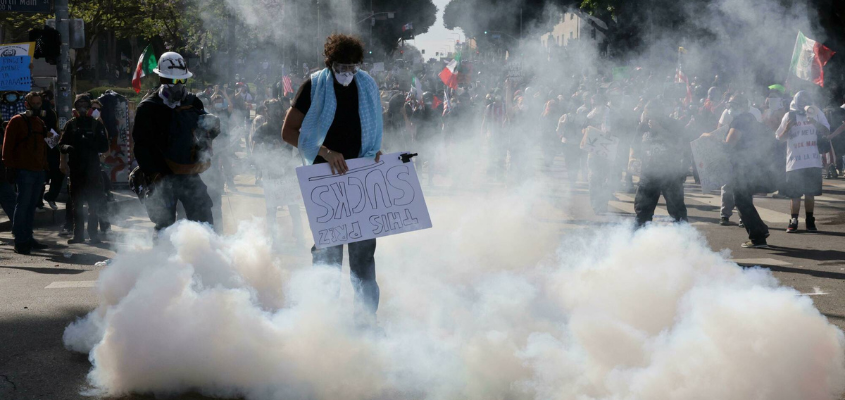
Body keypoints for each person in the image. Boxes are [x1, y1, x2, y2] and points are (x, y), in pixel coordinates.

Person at [282, 34, 383, 324]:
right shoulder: (314, 86)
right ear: (330, 63)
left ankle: (366, 321)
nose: (347, 73)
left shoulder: (367, 85)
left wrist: (375, 152)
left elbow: (372, 131)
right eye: (341, 67)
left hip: (360, 181)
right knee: (328, 257)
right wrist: (324, 151)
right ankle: (325, 322)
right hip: (325, 183)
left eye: (352, 67)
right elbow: (288, 132)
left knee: (363, 257)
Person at [132, 51, 217, 232]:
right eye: (172, 80)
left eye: (181, 80)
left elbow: (206, 134)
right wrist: (153, 174)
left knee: (203, 218)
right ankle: (163, 250)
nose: (177, 85)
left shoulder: (193, 103)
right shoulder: (148, 108)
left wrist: (213, 127)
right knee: (165, 224)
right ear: (162, 79)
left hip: (188, 172)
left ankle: (204, 248)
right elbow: (141, 146)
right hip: (162, 175)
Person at [720, 94, 772, 248]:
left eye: (732, 105)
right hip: (751, 166)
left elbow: (729, 144)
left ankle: (758, 237)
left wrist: (711, 138)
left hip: (742, 167)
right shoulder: (751, 119)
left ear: (741, 106)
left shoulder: (739, 120)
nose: (730, 108)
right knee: (744, 200)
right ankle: (760, 230)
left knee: (741, 201)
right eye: (729, 104)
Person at [2, 92, 50, 254]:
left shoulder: (39, 122)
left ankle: (28, 237)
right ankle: (20, 240)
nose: (36, 106)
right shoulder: (17, 121)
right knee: (22, 205)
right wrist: (9, 167)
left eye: (38, 103)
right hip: (24, 171)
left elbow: (44, 145)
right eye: (33, 103)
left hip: (38, 171)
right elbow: (7, 146)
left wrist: (45, 166)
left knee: (31, 207)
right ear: (26, 104)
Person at [775, 91, 830, 233]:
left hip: (813, 161)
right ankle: (793, 220)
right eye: (801, 102)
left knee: (810, 193)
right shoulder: (790, 115)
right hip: (794, 162)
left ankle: (810, 220)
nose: (803, 105)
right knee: (795, 194)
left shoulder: (816, 113)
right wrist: (787, 128)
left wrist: (815, 122)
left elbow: (826, 131)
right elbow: (779, 138)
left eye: (806, 101)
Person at [253, 99, 303, 249]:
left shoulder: (287, 127)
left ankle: (297, 237)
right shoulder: (264, 128)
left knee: (291, 206)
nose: (275, 112)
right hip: (272, 173)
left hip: (287, 172)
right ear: (267, 111)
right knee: (274, 208)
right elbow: (255, 146)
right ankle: (275, 239)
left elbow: (300, 146)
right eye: (272, 109)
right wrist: (262, 163)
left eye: (277, 109)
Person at [59, 95, 110, 244]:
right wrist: (68, 148)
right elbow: (61, 145)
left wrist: (91, 144)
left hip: (93, 171)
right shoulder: (71, 124)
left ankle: (93, 235)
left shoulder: (96, 124)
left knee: (94, 205)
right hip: (76, 171)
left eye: (85, 104)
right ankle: (78, 235)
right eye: (79, 104)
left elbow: (104, 146)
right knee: (77, 205)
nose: (82, 107)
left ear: (89, 107)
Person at [633, 100, 688, 226]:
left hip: (670, 174)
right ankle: (640, 236)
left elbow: (679, 145)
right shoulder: (643, 126)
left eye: (652, 113)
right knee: (642, 211)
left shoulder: (674, 125)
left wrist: (659, 129)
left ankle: (683, 236)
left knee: (677, 211)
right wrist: (632, 159)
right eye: (647, 113)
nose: (648, 116)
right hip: (648, 174)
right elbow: (634, 146)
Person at [40, 90, 62, 211]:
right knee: (42, 176)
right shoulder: (42, 111)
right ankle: (39, 201)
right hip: (40, 146)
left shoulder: (52, 112)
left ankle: (48, 197)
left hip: (51, 143)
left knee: (56, 174)